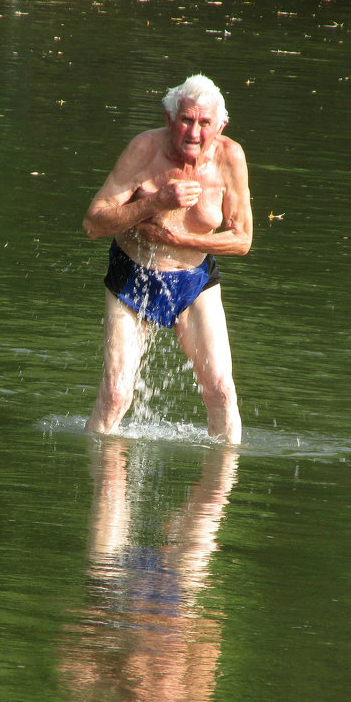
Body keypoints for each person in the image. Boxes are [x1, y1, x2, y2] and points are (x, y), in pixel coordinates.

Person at [82, 74, 253, 444]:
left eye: (204, 123)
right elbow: (93, 223)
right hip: (132, 276)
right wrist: (156, 203)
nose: (194, 132)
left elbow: (242, 241)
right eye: (186, 120)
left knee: (222, 392)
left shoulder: (229, 158)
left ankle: (216, 499)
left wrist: (183, 238)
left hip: (194, 281)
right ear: (169, 118)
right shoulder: (144, 151)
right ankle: (105, 492)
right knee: (115, 396)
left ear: (220, 125)